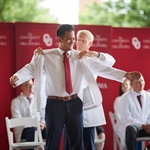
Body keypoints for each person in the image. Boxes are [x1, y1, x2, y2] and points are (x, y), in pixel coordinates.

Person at [10, 24, 136, 150]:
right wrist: (18, 77)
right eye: (69, 38)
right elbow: (31, 68)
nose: (73, 42)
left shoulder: (81, 57)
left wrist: (125, 75)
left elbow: (104, 69)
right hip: (55, 104)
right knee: (52, 143)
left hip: (75, 103)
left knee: (77, 143)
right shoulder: (47, 56)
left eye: (74, 38)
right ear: (59, 39)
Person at [118, 72, 150, 150]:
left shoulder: (149, 96)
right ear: (131, 84)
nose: (141, 83)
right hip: (134, 128)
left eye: (142, 81)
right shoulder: (125, 98)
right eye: (138, 81)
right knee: (130, 129)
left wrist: (148, 126)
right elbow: (127, 119)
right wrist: (142, 125)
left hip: (147, 128)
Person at [11, 79, 46, 147]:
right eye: (27, 85)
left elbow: (43, 115)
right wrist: (34, 124)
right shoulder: (16, 101)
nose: (31, 87)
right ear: (22, 88)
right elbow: (17, 120)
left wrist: (43, 124)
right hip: (24, 130)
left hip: (38, 128)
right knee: (32, 130)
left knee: (49, 130)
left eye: (32, 85)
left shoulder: (38, 100)